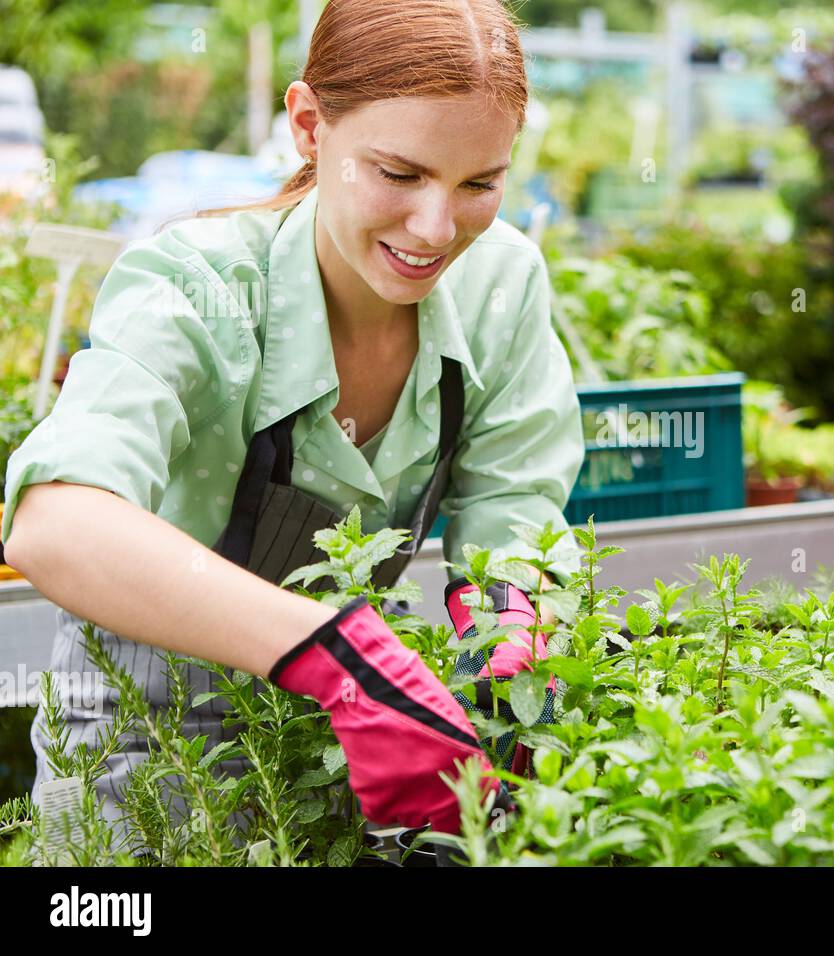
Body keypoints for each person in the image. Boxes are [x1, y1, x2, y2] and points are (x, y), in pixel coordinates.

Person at [0, 0, 584, 849]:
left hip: (337, 750)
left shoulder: (502, 286)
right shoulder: (198, 283)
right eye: (398, 173)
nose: (435, 229)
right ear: (309, 126)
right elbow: (55, 524)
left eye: (479, 184)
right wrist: (332, 655)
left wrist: (513, 635)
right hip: (141, 748)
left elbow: (517, 507)